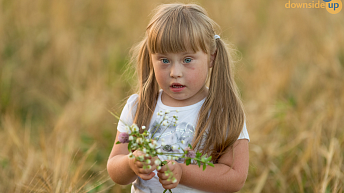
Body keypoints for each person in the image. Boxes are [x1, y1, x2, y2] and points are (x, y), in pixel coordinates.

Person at [107, 3, 249, 193]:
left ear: (212, 58)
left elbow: (235, 178)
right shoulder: (138, 107)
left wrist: (183, 172)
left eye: (187, 60)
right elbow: (115, 169)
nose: (175, 72)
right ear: (151, 58)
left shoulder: (223, 112)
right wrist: (130, 164)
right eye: (164, 60)